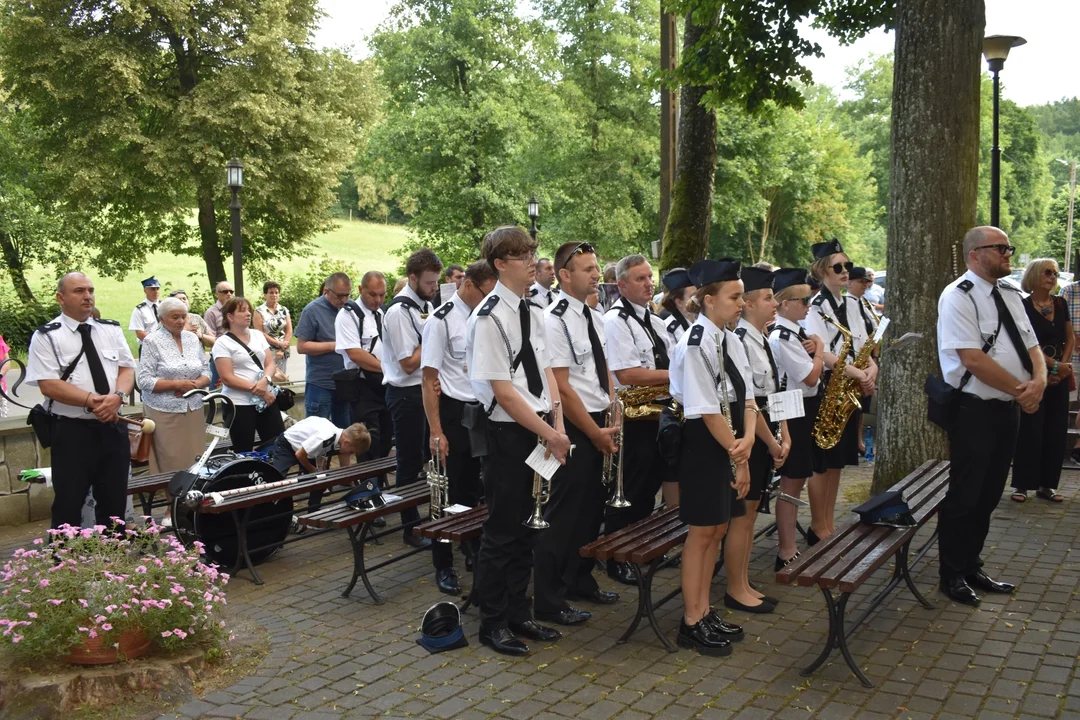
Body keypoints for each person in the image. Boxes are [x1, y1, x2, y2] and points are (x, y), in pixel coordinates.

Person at [466, 225, 571, 656]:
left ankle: (518, 612)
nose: (532, 261)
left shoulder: (534, 310)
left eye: (532, 252)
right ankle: (492, 623)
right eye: (521, 255)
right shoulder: (489, 316)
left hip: (542, 426)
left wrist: (558, 425)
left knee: (531, 526)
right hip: (510, 432)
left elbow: (546, 373)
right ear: (500, 264)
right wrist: (548, 433)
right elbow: (504, 392)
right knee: (503, 531)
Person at [936, 226, 1045, 607]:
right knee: (965, 495)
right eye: (1000, 248)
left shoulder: (1012, 293)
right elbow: (973, 359)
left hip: (1008, 410)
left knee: (990, 494)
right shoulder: (958, 297)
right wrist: (1023, 390)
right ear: (974, 255)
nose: (1008, 253)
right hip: (974, 411)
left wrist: (1040, 382)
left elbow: (1031, 344)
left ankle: (971, 564)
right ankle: (950, 574)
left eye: (1008, 247)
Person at [534, 242, 621, 627]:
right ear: (564, 275)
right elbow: (564, 389)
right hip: (574, 428)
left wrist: (613, 408)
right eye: (587, 268)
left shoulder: (594, 316)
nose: (596, 274)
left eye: (596, 267)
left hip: (599, 421)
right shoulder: (553, 320)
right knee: (563, 515)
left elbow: (603, 374)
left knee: (590, 513)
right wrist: (595, 433)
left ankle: (579, 580)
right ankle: (549, 599)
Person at [668, 259, 751, 656]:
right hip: (705, 442)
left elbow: (747, 399)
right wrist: (741, 456)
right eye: (734, 297)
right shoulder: (697, 342)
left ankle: (705, 610)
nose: (742, 304)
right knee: (701, 533)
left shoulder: (729, 338)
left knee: (719, 529)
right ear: (708, 299)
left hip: (731, 439)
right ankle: (691, 618)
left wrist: (747, 444)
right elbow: (706, 410)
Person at [25, 272, 136, 528]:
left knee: (114, 505)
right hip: (72, 431)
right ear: (60, 298)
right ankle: (64, 564)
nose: (87, 296)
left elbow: (127, 369)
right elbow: (48, 383)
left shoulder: (110, 330)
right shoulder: (47, 336)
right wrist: (95, 401)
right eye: (79, 291)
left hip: (111, 427)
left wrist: (117, 398)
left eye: (90, 290)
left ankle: (113, 563)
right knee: (68, 504)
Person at [421, 260, 498, 595]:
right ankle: (444, 563)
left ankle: (472, 548)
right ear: (469, 284)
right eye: (485, 291)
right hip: (455, 412)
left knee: (479, 488)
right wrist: (436, 431)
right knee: (448, 492)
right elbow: (428, 380)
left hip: (485, 410)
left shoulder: (487, 314)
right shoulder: (440, 320)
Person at [602, 254, 674, 585]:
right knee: (628, 488)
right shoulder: (616, 320)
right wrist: (677, 374)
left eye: (650, 277)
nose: (649, 284)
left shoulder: (655, 320)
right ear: (622, 284)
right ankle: (617, 554)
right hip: (632, 416)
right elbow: (627, 372)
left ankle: (641, 546)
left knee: (648, 489)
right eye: (641, 279)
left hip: (657, 413)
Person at [804, 239, 875, 544]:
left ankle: (828, 523)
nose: (846, 271)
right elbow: (824, 354)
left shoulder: (854, 304)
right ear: (822, 272)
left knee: (837, 464)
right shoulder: (815, 307)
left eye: (848, 265)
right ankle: (817, 525)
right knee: (822, 464)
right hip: (827, 391)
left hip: (850, 389)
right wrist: (857, 372)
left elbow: (863, 345)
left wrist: (872, 368)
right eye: (838, 267)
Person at [729, 266, 789, 612]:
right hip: (752, 436)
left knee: (751, 515)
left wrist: (787, 434)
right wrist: (771, 441)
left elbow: (775, 391)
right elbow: (751, 402)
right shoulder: (741, 342)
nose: (774, 303)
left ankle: (744, 580)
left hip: (769, 436)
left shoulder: (762, 338)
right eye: (768, 298)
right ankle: (736, 588)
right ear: (749, 304)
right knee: (744, 515)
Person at [383, 249, 443, 548]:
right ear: (413, 278)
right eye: (430, 283)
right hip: (406, 394)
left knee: (430, 457)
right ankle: (409, 528)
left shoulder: (424, 307)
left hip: (425, 391)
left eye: (437, 282)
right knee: (409, 462)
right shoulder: (398, 311)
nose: (435, 288)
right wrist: (433, 338)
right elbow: (408, 362)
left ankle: (432, 518)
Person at [768, 268, 825, 570]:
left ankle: (789, 545)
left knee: (798, 479)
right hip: (790, 409)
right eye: (804, 301)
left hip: (798, 407)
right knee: (791, 482)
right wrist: (820, 353)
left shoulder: (795, 332)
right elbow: (811, 377)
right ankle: (786, 550)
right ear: (786, 304)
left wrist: (814, 347)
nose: (808, 305)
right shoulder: (782, 336)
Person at [1010, 258, 1072, 503]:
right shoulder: (1022, 306)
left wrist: (1064, 367)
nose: (1052, 277)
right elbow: (1025, 343)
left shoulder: (1061, 303)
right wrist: (1052, 365)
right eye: (1047, 272)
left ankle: (1048, 485)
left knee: (1056, 430)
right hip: (1034, 372)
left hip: (1059, 376)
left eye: (1055, 273)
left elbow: (1070, 338)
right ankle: (1022, 485)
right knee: (1030, 428)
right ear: (1035, 275)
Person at [335, 271, 393, 507]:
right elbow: (355, 353)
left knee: (386, 440)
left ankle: (376, 491)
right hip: (362, 386)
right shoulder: (348, 315)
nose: (377, 300)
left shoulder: (382, 313)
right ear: (360, 289)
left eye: (381, 295)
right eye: (372, 294)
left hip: (384, 385)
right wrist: (389, 369)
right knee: (369, 445)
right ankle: (367, 497)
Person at [136, 297, 210, 476]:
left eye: (184, 317)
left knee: (196, 458)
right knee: (171, 460)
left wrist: (196, 384)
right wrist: (177, 384)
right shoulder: (152, 341)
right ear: (161, 319)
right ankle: (174, 501)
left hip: (194, 408)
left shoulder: (192, 339)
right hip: (164, 411)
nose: (181, 321)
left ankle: (195, 497)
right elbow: (144, 381)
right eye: (175, 317)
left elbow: (207, 371)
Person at [212, 296, 285, 452]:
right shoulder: (222, 343)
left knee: (277, 446)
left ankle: (274, 476)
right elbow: (227, 378)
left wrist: (265, 381)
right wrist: (259, 390)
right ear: (230, 316)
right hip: (239, 404)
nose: (248, 314)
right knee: (243, 449)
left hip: (267, 400)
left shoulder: (257, 335)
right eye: (242, 311)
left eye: (249, 310)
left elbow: (270, 363)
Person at [295, 273, 352, 428]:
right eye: (339, 296)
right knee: (316, 433)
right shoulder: (312, 310)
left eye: (347, 295)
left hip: (346, 382)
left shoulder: (351, 308)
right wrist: (335, 345)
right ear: (327, 291)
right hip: (321, 383)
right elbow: (301, 346)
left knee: (346, 434)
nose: (344, 300)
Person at [846, 266, 880, 453]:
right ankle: (856, 440)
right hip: (857, 361)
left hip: (867, 359)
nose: (865, 286)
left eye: (866, 282)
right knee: (856, 405)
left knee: (863, 406)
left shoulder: (864, 304)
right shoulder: (848, 303)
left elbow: (872, 330)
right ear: (849, 283)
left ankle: (857, 440)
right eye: (861, 282)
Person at [270, 416, 370, 475]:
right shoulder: (327, 436)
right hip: (287, 444)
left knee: (319, 480)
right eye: (351, 452)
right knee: (277, 478)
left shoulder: (335, 436)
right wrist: (312, 469)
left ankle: (314, 509)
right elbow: (300, 454)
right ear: (346, 443)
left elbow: (319, 451)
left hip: (304, 449)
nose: (350, 455)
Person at [1060, 277, 1080, 463]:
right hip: (1072, 358)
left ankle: (1078, 446)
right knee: (1066, 402)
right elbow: (1060, 321)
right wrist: (1075, 339)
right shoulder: (1068, 292)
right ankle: (1059, 446)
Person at [254, 281, 293, 378]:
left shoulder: (284, 310)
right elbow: (260, 333)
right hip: (267, 350)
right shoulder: (259, 311)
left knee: (281, 377)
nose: (274, 295)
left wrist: (282, 347)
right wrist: (278, 344)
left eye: (276, 292)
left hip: (283, 350)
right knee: (268, 377)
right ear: (265, 295)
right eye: (271, 292)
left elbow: (289, 331)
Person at [203, 281, 235, 388]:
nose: (229, 294)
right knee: (217, 391)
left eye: (231, 291)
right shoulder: (211, 313)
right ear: (217, 294)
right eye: (225, 291)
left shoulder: (237, 311)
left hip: (236, 356)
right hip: (220, 357)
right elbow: (210, 339)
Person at [659, 268, 696, 346]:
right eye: (692, 296)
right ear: (679, 302)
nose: (697, 299)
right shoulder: (669, 330)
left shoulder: (698, 321)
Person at [128, 276, 162, 346]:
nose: (156, 292)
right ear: (145, 290)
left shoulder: (164, 306)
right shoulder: (139, 310)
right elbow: (140, 333)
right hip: (148, 346)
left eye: (157, 289)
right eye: (152, 289)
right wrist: (156, 343)